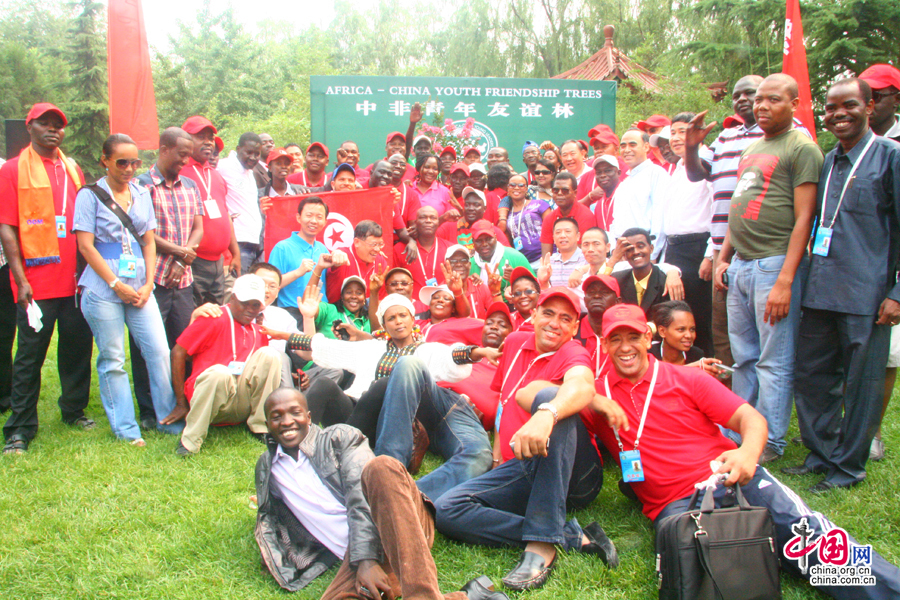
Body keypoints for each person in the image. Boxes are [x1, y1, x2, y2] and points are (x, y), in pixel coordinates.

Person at [586, 303, 900, 600]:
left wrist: (748, 453)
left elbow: (750, 419)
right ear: (604, 343)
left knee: (814, 544)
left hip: (730, 476)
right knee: (711, 575)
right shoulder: (595, 394)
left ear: (648, 337)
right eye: (616, 339)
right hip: (677, 507)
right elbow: (538, 392)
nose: (626, 347)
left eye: (633, 337)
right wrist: (594, 399)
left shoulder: (687, 378)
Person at [435, 287, 622, 591]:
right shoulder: (514, 343)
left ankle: (541, 545)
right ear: (534, 315)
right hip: (526, 462)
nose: (554, 323)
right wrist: (497, 454)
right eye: (548, 313)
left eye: (565, 318)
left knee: (551, 395)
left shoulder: (573, 352)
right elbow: (504, 402)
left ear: (575, 328)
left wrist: (547, 412)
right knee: (448, 509)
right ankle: (570, 536)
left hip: (576, 472)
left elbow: (582, 385)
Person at [255, 388, 509, 600]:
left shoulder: (339, 437)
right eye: (276, 416)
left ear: (309, 417)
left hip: (394, 523)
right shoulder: (267, 468)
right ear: (267, 424)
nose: (287, 421)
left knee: (380, 467)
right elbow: (269, 517)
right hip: (351, 558)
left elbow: (359, 496)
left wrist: (367, 559)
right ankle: (468, 595)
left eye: (295, 413)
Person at [274, 291, 495, 500]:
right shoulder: (370, 348)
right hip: (358, 412)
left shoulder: (426, 350)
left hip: (387, 423)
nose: (398, 321)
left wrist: (478, 352)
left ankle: (387, 470)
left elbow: (451, 356)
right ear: (385, 325)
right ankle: (295, 452)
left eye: (402, 316)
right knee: (323, 384)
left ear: (412, 320)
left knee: (387, 381)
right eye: (391, 318)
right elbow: (326, 348)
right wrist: (284, 335)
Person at [789, 78, 900, 492]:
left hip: (867, 295)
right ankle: (821, 454)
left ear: (869, 107)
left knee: (863, 383)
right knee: (814, 376)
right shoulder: (827, 160)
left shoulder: (890, 157)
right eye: (831, 108)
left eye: (849, 105)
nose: (839, 114)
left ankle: (849, 466)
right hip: (820, 289)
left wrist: (897, 292)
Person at [714, 73, 823, 463]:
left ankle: (772, 440)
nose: (762, 106)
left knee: (773, 360)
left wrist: (785, 280)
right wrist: (724, 256)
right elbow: (736, 206)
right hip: (741, 264)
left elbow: (804, 218)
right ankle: (739, 430)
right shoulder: (753, 147)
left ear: (794, 103)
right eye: (759, 100)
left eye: (773, 99)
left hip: (773, 265)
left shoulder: (802, 147)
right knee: (743, 357)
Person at [73, 134, 184, 445]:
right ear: (104, 161)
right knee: (113, 358)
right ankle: (125, 428)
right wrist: (114, 283)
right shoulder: (89, 195)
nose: (129, 168)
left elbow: (148, 241)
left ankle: (167, 418)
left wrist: (149, 282)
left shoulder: (141, 193)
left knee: (159, 352)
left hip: (140, 286)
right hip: (102, 287)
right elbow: (85, 246)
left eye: (135, 162)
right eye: (122, 162)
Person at [0, 103, 94, 454]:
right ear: (30, 127)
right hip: (36, 282)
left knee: (76, 348)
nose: (53, 129)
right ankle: (20, 428)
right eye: (45, 123)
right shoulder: (12, 170)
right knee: (29, 355)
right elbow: (7, 228)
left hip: (74, 280)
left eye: (59, 124)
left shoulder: (72, 169)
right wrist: (20, 277)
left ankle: (73, 410)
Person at [130, 127, 205, 430]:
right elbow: (142, 231)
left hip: (184, 281)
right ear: (163, 149)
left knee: (184, 343)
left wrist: (186, 253)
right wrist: (180, 253)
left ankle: (184, 402)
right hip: (154, 279)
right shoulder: (141, 186)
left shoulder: (189, 185)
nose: (186, 161)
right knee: (145, 345)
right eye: (182, 154)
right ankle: (148, 409)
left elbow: (198, 227)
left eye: (189, 155)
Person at [171, 274, 282, 455]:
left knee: (270, 355)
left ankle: (261, 426)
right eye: (244, 302)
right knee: (219, 372)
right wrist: (180, 403)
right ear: (232, 298)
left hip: (239, 401)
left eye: (255, 304)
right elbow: (178, 352)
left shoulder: (257, 330)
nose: (249, 309)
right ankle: (190, 441)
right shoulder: (213, 317)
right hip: (210, 399)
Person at [859, 63, 900, 461]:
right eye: (865, 94)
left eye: (878, 95)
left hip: (890, 272)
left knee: (886, 356)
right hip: (857, 271)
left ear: (894, 99)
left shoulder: (895, 147)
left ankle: (871, 431)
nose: (871, 103)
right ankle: (851, 425)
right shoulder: (852, 144)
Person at [662, 112, 715, 356]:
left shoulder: (706, 161)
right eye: (672, 132)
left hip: (697, 250)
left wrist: (710, 254)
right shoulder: (677, 168)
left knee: (698, 320)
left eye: (682, 131)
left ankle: (706, 375)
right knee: (676, 317)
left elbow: (719, 207)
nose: (675, 138)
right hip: (674, 251)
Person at [181, 116, 241, 306]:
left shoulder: (215, 175)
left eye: (210, 137)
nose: (208, 142)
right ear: (185, 139)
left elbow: (225, 217)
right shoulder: (179, 171)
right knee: (194, 316)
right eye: (201, 136)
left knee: (216, 317)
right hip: (193, 261)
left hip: (218, 262)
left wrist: (235, 253)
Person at [267, 196, 345, 317]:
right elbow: (270, 284)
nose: (314, 221)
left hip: (320, 313)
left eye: (319, 217)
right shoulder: (282, 248)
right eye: (309, 215)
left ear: (325, 222)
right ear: (299, 218)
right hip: (292, 312)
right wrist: (298, 272)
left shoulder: (322, 248)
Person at [440, 302, 514, 429]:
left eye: (502, 325)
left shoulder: (512, 363)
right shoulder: (467, 352)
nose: (494, 327)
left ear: (511, 333)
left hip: (471, 423)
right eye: (489, 323)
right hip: (441, 400)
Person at [609, 129, 669, 260]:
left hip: (646, 251)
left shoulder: (656, 174)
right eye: (623, 146)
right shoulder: (624, 183)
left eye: (632, 144)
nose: (627, 150)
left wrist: (653, 255)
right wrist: (616, 252)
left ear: (646, 146)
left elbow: (660, 218)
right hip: (624, 254)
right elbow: (616, 222)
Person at [218, 132, 264, 269]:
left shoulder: (250, 173)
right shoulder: (223, 166)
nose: (253, 157)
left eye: (257, 154)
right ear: (238, 149)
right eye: (249, 152)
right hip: (237, 243)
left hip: (254, 244)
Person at [649, 301, 723, 376]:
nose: (689, 335)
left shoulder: (696, 355)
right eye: (681, 329)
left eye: (692, 329)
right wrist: (689, 369)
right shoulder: (648, 354)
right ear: (662, 331)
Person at [325, 220, 389, 303]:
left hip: (368, 313)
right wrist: (336, 255)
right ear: (357, 242)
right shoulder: (343, 257)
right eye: (373, 244)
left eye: (380, 244)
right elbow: (337, 254)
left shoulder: (380, 261)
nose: (377, 249)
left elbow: (381, 300)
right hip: (338, 313)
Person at [393, 206, 452, 297]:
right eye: (423, 217)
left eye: (433, 218)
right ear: (415, 223)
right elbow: (391, 283)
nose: (428, 221)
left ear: (438, 223)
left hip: (441, 305)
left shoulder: (449, 248)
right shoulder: (400, 249)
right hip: (412, 307)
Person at [497, 174, 550, 266]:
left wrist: (546, 260)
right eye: (512, 185)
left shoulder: (539, 204)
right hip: (523, 261)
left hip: (544, 257)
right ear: (508, 189)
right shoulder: (508, 212)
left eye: (521, 185)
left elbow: (551, 229)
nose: (516, 188)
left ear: (526, 189)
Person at [470, 220, 531, 297]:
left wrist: (515, 280)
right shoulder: (469, 265)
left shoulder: (515, 257)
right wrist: (469, 283)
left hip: (512, 305)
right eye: (479, 241)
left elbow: (535, 288)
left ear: (495, 237)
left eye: (488, 239)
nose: (484, 244)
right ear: (473, 242)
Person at [539, 173, 595, 256]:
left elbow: (583, 254)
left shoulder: (586, 216)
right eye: (555, 190)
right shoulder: (549, 218)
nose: (560, 193)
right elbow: (546, 256)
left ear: (575, 193)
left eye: (565, 190)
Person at [437, 188, 507, 250]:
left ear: (484, 209)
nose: (470, 208)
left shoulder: (494, 231)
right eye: (467, 204)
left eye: (476, 205)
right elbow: (428, 240)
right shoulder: (448, 227)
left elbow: (508, 254)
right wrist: (442, 218)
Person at [416, 283, 483, 345]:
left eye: (446, 298)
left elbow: (488, 327)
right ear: (430, 305)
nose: (440, 300)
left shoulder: (460, 324)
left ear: (453, 308)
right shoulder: (418, 324)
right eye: (435, 298)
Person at [538, 217, 586, 289]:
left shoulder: (586, 258)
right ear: (553, 238)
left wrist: (582, 270)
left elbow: (603, 265)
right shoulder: (550, 262)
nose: (562, 236)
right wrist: (544, 282)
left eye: (568, 231)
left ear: (578, 236)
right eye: (558, 232)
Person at [386, 154, 421, 249]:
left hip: (401, 243)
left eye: (402, 164)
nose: (398, 166)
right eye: (394, 163)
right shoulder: (378, 188)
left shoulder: (412, 195)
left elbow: (412, 228)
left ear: (406, 169)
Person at [859, 64, 900, 141]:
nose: (866, 104)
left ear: (897, 99)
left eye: (875, 96)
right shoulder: (848, 144)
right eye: (860, 97)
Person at [591, 155, 620, 231]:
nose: (603, 175)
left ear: (619, 173)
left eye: (608, 171)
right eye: (599, 172)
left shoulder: (626, 195)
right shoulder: (599, 205)